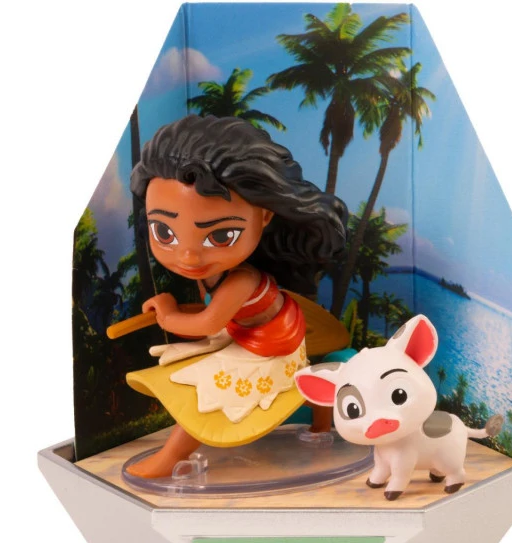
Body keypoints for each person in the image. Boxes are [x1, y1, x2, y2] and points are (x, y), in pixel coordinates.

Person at [126, 115, 347, 478]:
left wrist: (167, 313)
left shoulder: (241, 279)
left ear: (264, 216)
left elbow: (207, 322)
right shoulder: (214, 273)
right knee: (192, 368)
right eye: (164, 232)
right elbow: (213, 312)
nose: (188, 257)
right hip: (245, 330)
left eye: (220, 236)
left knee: (205, 394)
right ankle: (321, 419)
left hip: (270, 342)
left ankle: (171, 457)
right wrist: (180, 310)